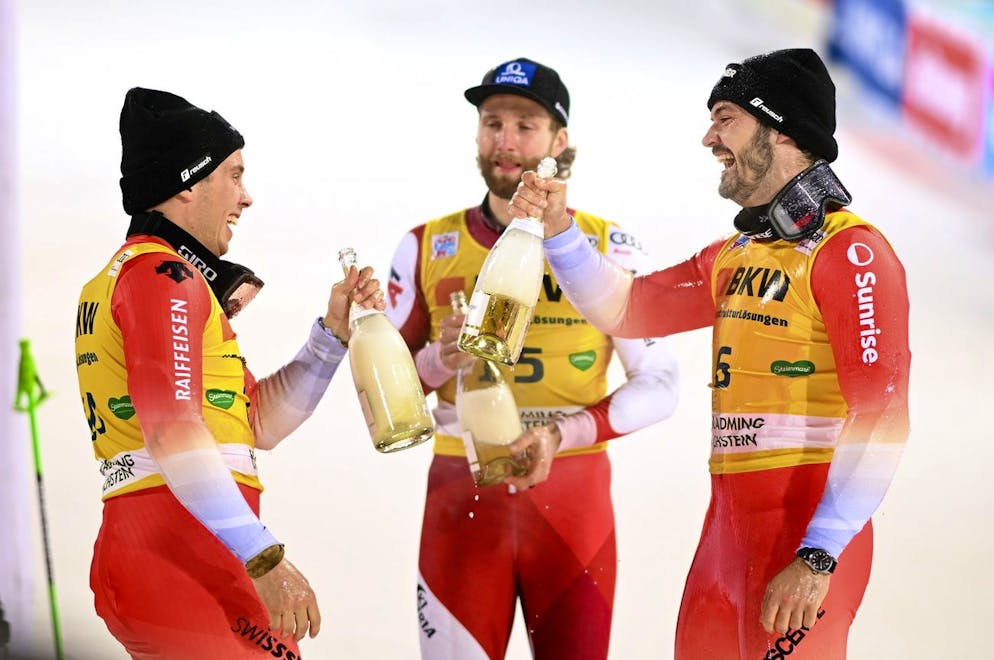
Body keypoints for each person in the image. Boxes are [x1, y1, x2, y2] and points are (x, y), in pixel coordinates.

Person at [511, 48, 911, 659]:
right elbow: (627, 308)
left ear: (780, 130)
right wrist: (560, 227)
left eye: (725, 119)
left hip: (806, 543)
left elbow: (881, 415)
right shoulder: (735, 254)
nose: (709, 139)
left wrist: (818, 555)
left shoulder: (851, 254)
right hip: (725, 538)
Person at [384, 57, 680, 660]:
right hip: (463, 499)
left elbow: (662, 382)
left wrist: (563, 434)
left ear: (558, 141)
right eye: (492, 123)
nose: (506, 141)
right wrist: (441, 359)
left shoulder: (610, 247)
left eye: (526, 125)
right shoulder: (425, 245)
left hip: (572, 506)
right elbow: (388, 400)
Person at [74, 87, 384, 659]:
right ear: (189, 182)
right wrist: (263, 557)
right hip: (176, 546)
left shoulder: (152, 277)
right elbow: (172, 431)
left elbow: (254, 423)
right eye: (235, 175)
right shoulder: (162, 276)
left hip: (164, 540)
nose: (246, 197)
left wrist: (331, 337)